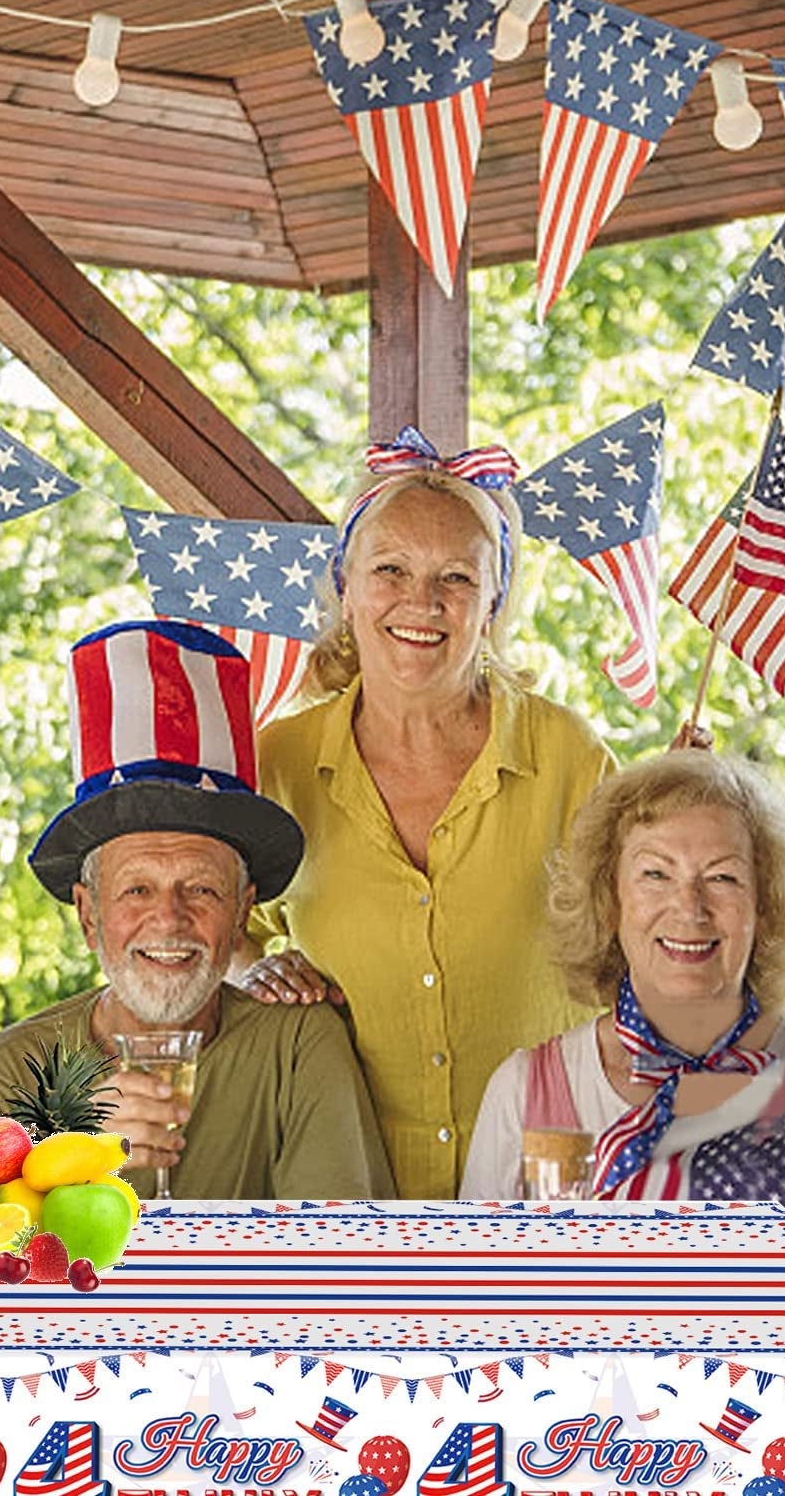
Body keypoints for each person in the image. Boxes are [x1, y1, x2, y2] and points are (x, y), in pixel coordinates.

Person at [240, 431, 613, 1198]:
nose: (422, 602)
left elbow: (641, 943)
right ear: (346, 587)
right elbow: (215, 925)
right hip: (347, 1189)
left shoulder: (567, 752)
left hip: (545, 1187)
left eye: (456, 578)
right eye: (390, 570)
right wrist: (254, 968)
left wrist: (684, 814)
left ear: (494, 603)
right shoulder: (277, 759)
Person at [461, 751, 785, 1348]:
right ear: (610, 902)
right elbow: (482, 1344)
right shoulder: (525, 1092)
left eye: (723, 877)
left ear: (767, 909)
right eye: (655, 874)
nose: (689, 908)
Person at [0, 620, 394, 1201]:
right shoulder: (10, 1072)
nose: (168, 919)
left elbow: (337, 1261)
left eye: (202, 890)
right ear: (89, 915)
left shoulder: (296, 1046)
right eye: (137, 890)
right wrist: (66, 1150)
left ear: (243, 912)